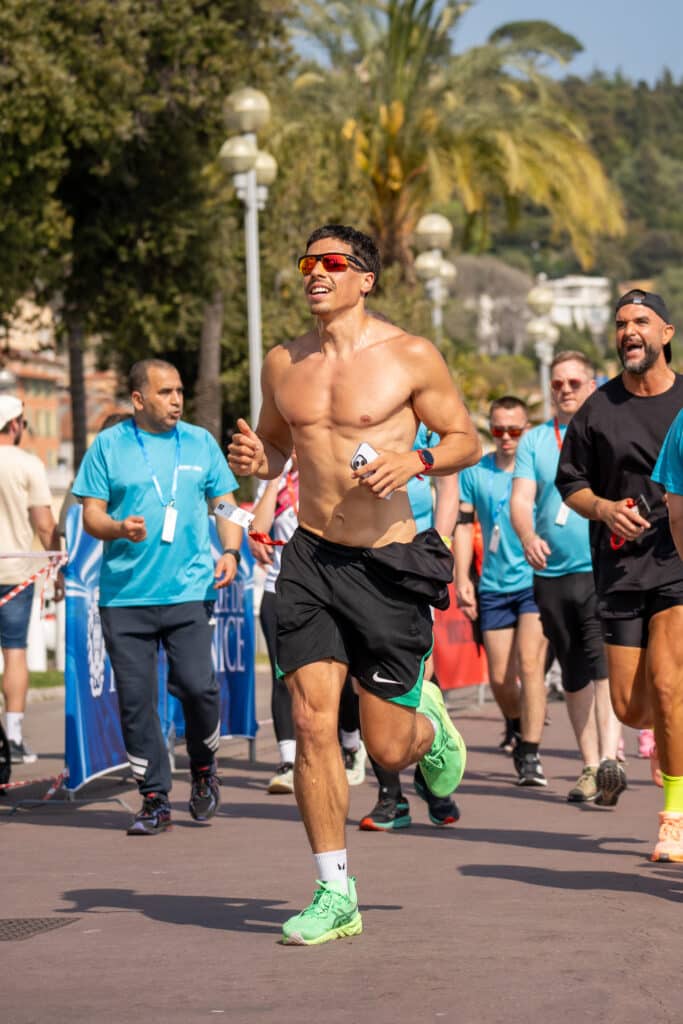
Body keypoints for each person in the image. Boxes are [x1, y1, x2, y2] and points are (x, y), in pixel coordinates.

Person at [228, 223, 480, 945]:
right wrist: (258, 453)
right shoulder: (286, 361)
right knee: (311, 722)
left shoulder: (408, 355)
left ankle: (428, 727)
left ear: (364, 277)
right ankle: (334, 890)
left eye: (331, 263)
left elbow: (461, 437)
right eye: (306, 262)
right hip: (308, 558)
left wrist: (418, 461)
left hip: (387, 563)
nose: (315, 273)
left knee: (390, 750)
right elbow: (276, 444)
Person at [72, 359, 243, 835]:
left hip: (189, 590)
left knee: (197, 686)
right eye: (165, 392)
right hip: (125, 597)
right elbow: (91, 515)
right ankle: (154, 798)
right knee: (135, 701)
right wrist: (118, 528)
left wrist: (230, 547)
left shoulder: (199, 442)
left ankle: (204, 767)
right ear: (139, 399)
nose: (176, 400)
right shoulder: (108, 445)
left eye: (180, 391)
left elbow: (226, 501)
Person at [556, 289, 683, 862]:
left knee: (670, 686)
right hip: (619, 570)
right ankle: (670, 735)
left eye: (641, 322)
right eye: (621, 324)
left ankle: (674, 819)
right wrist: (604, 509)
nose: (629, 331)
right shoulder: (598, 408)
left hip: (677, 563)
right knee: (633, 707)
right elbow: (571, 483)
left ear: (666, 333)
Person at [510, 352, 622, 804]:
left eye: (575, 382)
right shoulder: (535, 441)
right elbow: (521, 499)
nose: (566, 390)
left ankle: (612, 759)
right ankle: (591, 766)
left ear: (592, 384)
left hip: (601, 567)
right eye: (558, 383)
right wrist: (527, 535)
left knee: (603, 666)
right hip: (551, 574)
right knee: (573, 672)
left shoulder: (607, 433)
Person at [360, 421, 461, 830]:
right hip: (359, 564)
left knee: (418, 678)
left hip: (412, 566)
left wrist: (440, 547)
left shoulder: (430, 426)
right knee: (364, 683)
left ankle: (433, 777)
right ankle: (392, 798)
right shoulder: (356, 417)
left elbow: (449, 489)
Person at [455, 396, 549, 786]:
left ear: (526, 430)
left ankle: (530, 754)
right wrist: (462, 577)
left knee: (530, 666)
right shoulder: (476, 472)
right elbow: (463, 524)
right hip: (493, 584)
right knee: (498, 678)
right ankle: (516, 720)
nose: (506, 437)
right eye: (498, 430)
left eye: (514, 430)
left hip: (535, 581)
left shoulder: (536, 469)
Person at [0, 395, 63, 764]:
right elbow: (43, 523)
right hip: (15, 572)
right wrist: (57, 564)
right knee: (14, 652)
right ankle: (14, 734)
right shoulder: (27, 464)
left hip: (15, 571)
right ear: (14, 424)